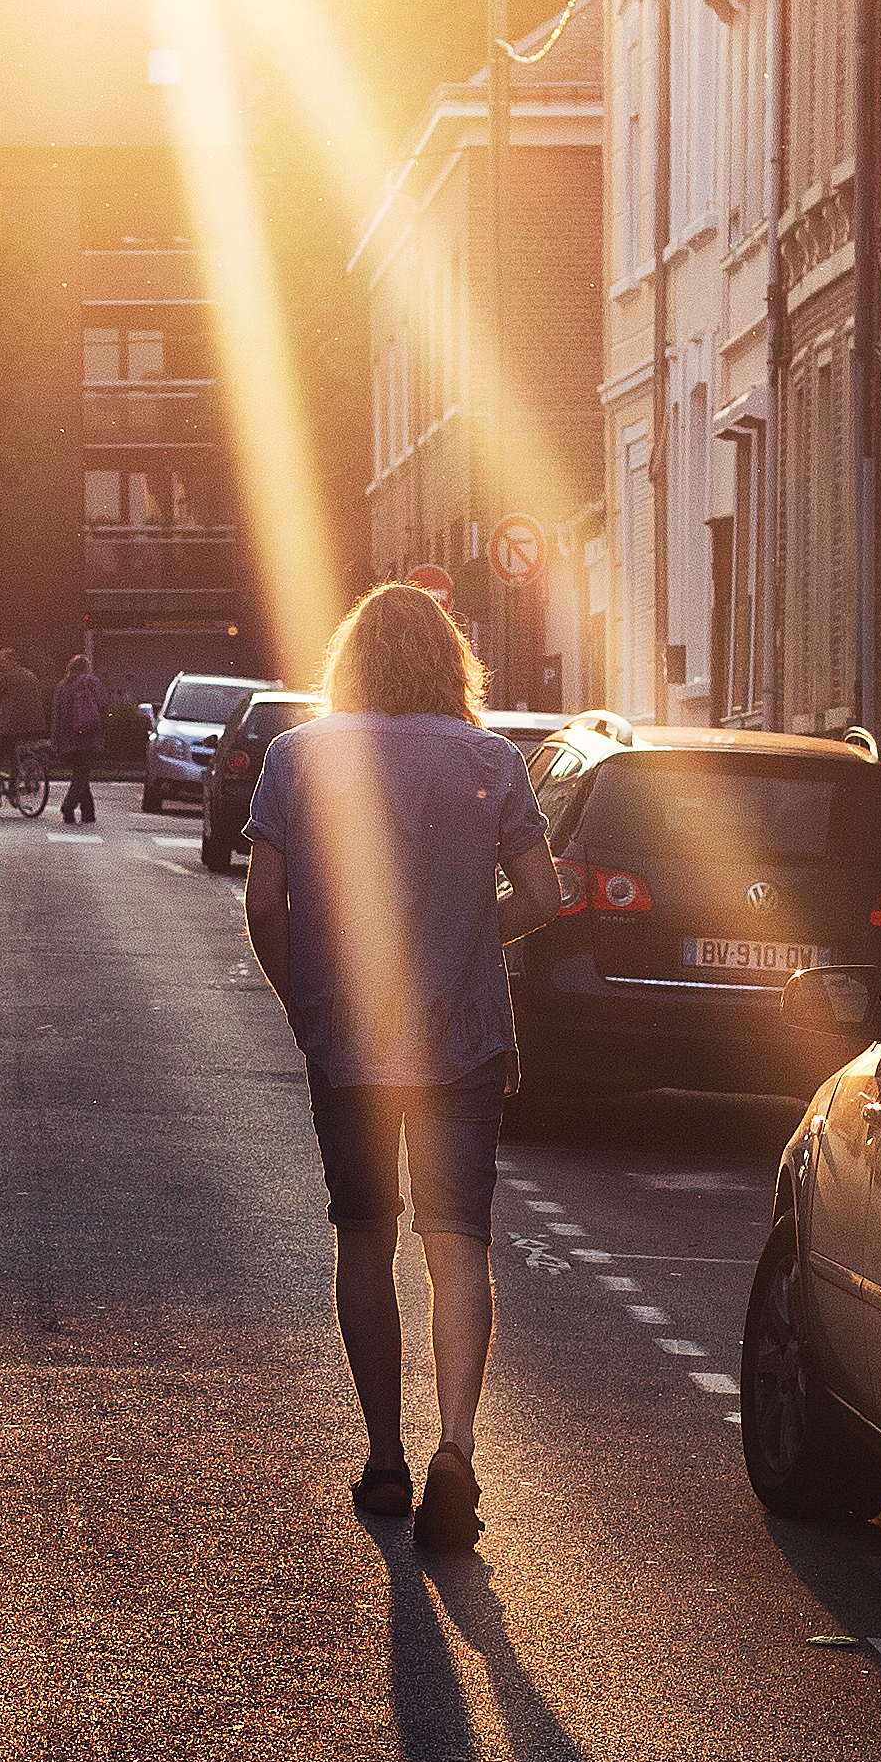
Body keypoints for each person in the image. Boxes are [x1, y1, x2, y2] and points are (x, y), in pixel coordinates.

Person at [240, 581, 562, 1550]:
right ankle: (456, 1445)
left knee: (364, 1235)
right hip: (462, 1036)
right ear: (449, 661)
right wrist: (472, 930)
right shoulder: (493, 759)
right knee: (457, 1238)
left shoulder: (297, 757)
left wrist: (305, 1001)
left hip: (349, 1037)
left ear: (350, 660)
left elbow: (263, 904)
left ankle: (385, 1455)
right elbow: (545, 895)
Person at [52, 650, 109, 823]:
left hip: (66, 737)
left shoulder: (61, 686)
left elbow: (55, 714)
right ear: (87, 668)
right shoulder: (92, 682)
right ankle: (68, 806)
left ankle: (88, 813)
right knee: (82, 774)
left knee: (80, 772)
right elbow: (103, 703)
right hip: (88, 735)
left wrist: (55, 740)